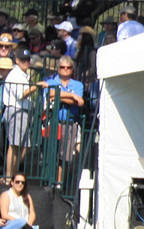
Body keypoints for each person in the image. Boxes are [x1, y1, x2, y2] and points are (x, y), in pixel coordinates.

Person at [28, 55, 85, 182]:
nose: (65, 69)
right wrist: (72, 96)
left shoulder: (78, 84)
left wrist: (60, 96)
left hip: (69, 123)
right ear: (58, 69)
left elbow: (77, 103)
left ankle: (59, 184)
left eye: (68, 67)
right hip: (52, 122)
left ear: (72, 69)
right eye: (62, 67)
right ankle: (47, 181)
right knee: (49, 153)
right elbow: (50, 94)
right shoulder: (52, 82)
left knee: (64, 157)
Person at [3, 48, 31, 176]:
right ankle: (9, 176)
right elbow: (22, 94)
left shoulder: (23, 74)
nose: (26, 62)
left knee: (25, 146)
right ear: (17, 60)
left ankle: (12, 174)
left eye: (28, 60)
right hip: (16, 110)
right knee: (14, 145)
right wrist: (37, 86)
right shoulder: (15, 74)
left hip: (23, 111)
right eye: (23, 60)